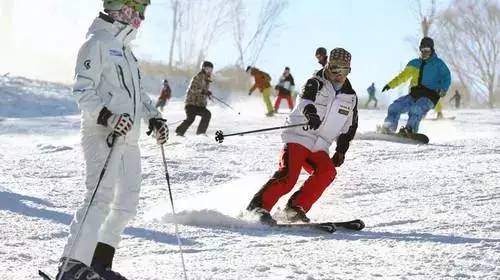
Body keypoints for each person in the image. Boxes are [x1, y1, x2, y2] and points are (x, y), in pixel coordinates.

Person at [58, 1, 169, 279]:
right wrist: (107, 117)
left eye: (143, 12)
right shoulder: (97, 42)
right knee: (99, 197)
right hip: (103, 133)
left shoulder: (126, 51)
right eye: (137, 10)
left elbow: (139, 94)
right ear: (120, 7)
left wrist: (154, 117)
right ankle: (72, 266)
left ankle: (98, 264)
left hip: (129, 138)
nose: (141, 18)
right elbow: (83, 89)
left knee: (126, 203)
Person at [247, 48, 358, 225]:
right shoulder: (315, 82)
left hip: (320, 145)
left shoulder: (350, 97)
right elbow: (305, 101)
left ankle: (295, 209)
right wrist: (310, 113)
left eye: (345, 70)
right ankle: (257, 207)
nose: (339, 75)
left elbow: (350, 126)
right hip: (299, 136)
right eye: (336, 69)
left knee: (327, 171)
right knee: (289, 177)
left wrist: (341, 150)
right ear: (328, 66)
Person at [380, 37, 451, 134]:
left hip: (430, 96)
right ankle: (388, 127)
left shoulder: (438, 63)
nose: (424, 52)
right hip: (414, 95)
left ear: (432, 50)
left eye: (427, 50)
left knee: (416, 109)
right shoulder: (414, 63)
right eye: (422, 50)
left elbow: (446, 77)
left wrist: (443, 89)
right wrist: (390, 85)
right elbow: (402, 76)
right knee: (394, 107)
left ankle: (410, 129)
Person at [175, 61, 213, 136]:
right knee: (190, 119)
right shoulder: (198, 77)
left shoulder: (207, 80)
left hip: (199, 105)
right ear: (203, 68)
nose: (209, 71)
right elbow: (193, 88)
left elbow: (203, 92)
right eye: (207, 69)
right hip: (191, 104)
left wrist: (207, 93)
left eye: (211, 70)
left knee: (207, 114)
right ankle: (179, 132)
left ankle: (200, 133)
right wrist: (203, 91)